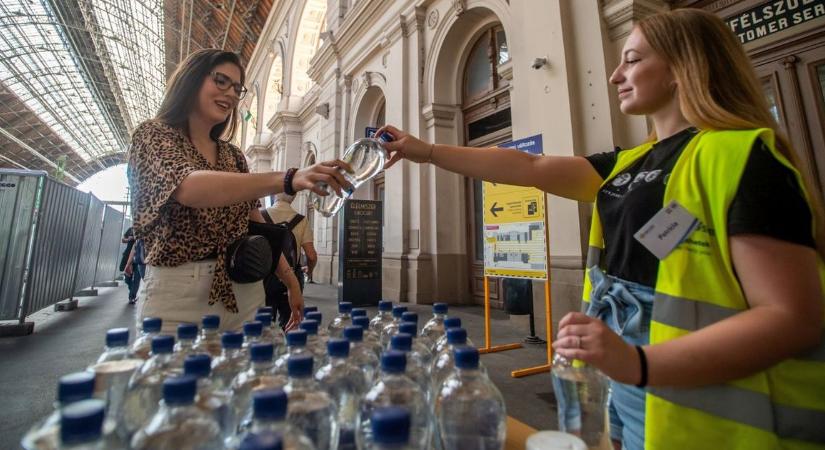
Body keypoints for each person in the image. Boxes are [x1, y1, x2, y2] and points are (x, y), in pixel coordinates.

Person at [375, 9, 825, 450]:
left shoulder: (744, 156)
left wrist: (638, 361)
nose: (614, 75)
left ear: (683, 67)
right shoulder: (626, 164)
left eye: (632, 59)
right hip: (628, 382)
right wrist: (427, 151)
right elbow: (529, 165)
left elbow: (792, 317)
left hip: (717, 411)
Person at [128, 49, 352, 334]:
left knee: (254, 377)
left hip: (245, 290)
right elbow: (188, 187)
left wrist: (291, 281)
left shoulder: (233, 156)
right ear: (192, 79)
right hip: (177, 299)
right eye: (221, 81)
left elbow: (255, 226)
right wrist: (289, 178)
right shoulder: (153, 135)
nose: (231, 94)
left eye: (237, 88)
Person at [261, 193, 318, 328]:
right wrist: (309, 272)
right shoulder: (301, 220)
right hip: (292, 278)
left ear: (274, 195)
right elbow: (311, 256)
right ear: (293, 198)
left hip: (265, 278)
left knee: (264, 323)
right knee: (290, 322)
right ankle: (288, 346)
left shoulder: (260, 215)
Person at [124, 238, 146, 306]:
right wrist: (128, 264)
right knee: (129, 279)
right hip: (137, 259)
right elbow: (134, 247)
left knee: (138, 279)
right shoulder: (137, 235)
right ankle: (132, 294)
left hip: (143, 261)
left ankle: (132, 296)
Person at [119, 227, 137, 304]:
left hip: (137, 256)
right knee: (127, 278)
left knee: (136, 278)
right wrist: (129, 239)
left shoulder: (143, 228)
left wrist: (135, 238)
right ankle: (132, 290)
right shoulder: (130, 229)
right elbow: (123, 240)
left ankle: (131, 297)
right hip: (127, 255)